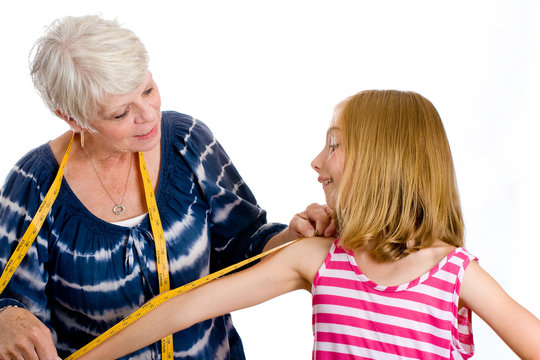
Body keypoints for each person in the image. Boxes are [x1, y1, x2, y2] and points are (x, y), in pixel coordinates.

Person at [75, 90, 540, 360]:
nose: (317, 162)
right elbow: (180, 310)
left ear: (382, 161)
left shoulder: (454, 274)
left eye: (333, 146)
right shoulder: (319, 258)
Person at [0, 15, 335, 360]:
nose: (149, 115)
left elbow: (244, 245)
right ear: (72, 118)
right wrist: (5, 315)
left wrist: (292, 237)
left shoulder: (188, 141)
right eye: (120, 113)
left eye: (148, 90)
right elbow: (13, 305)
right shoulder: (34, 185)